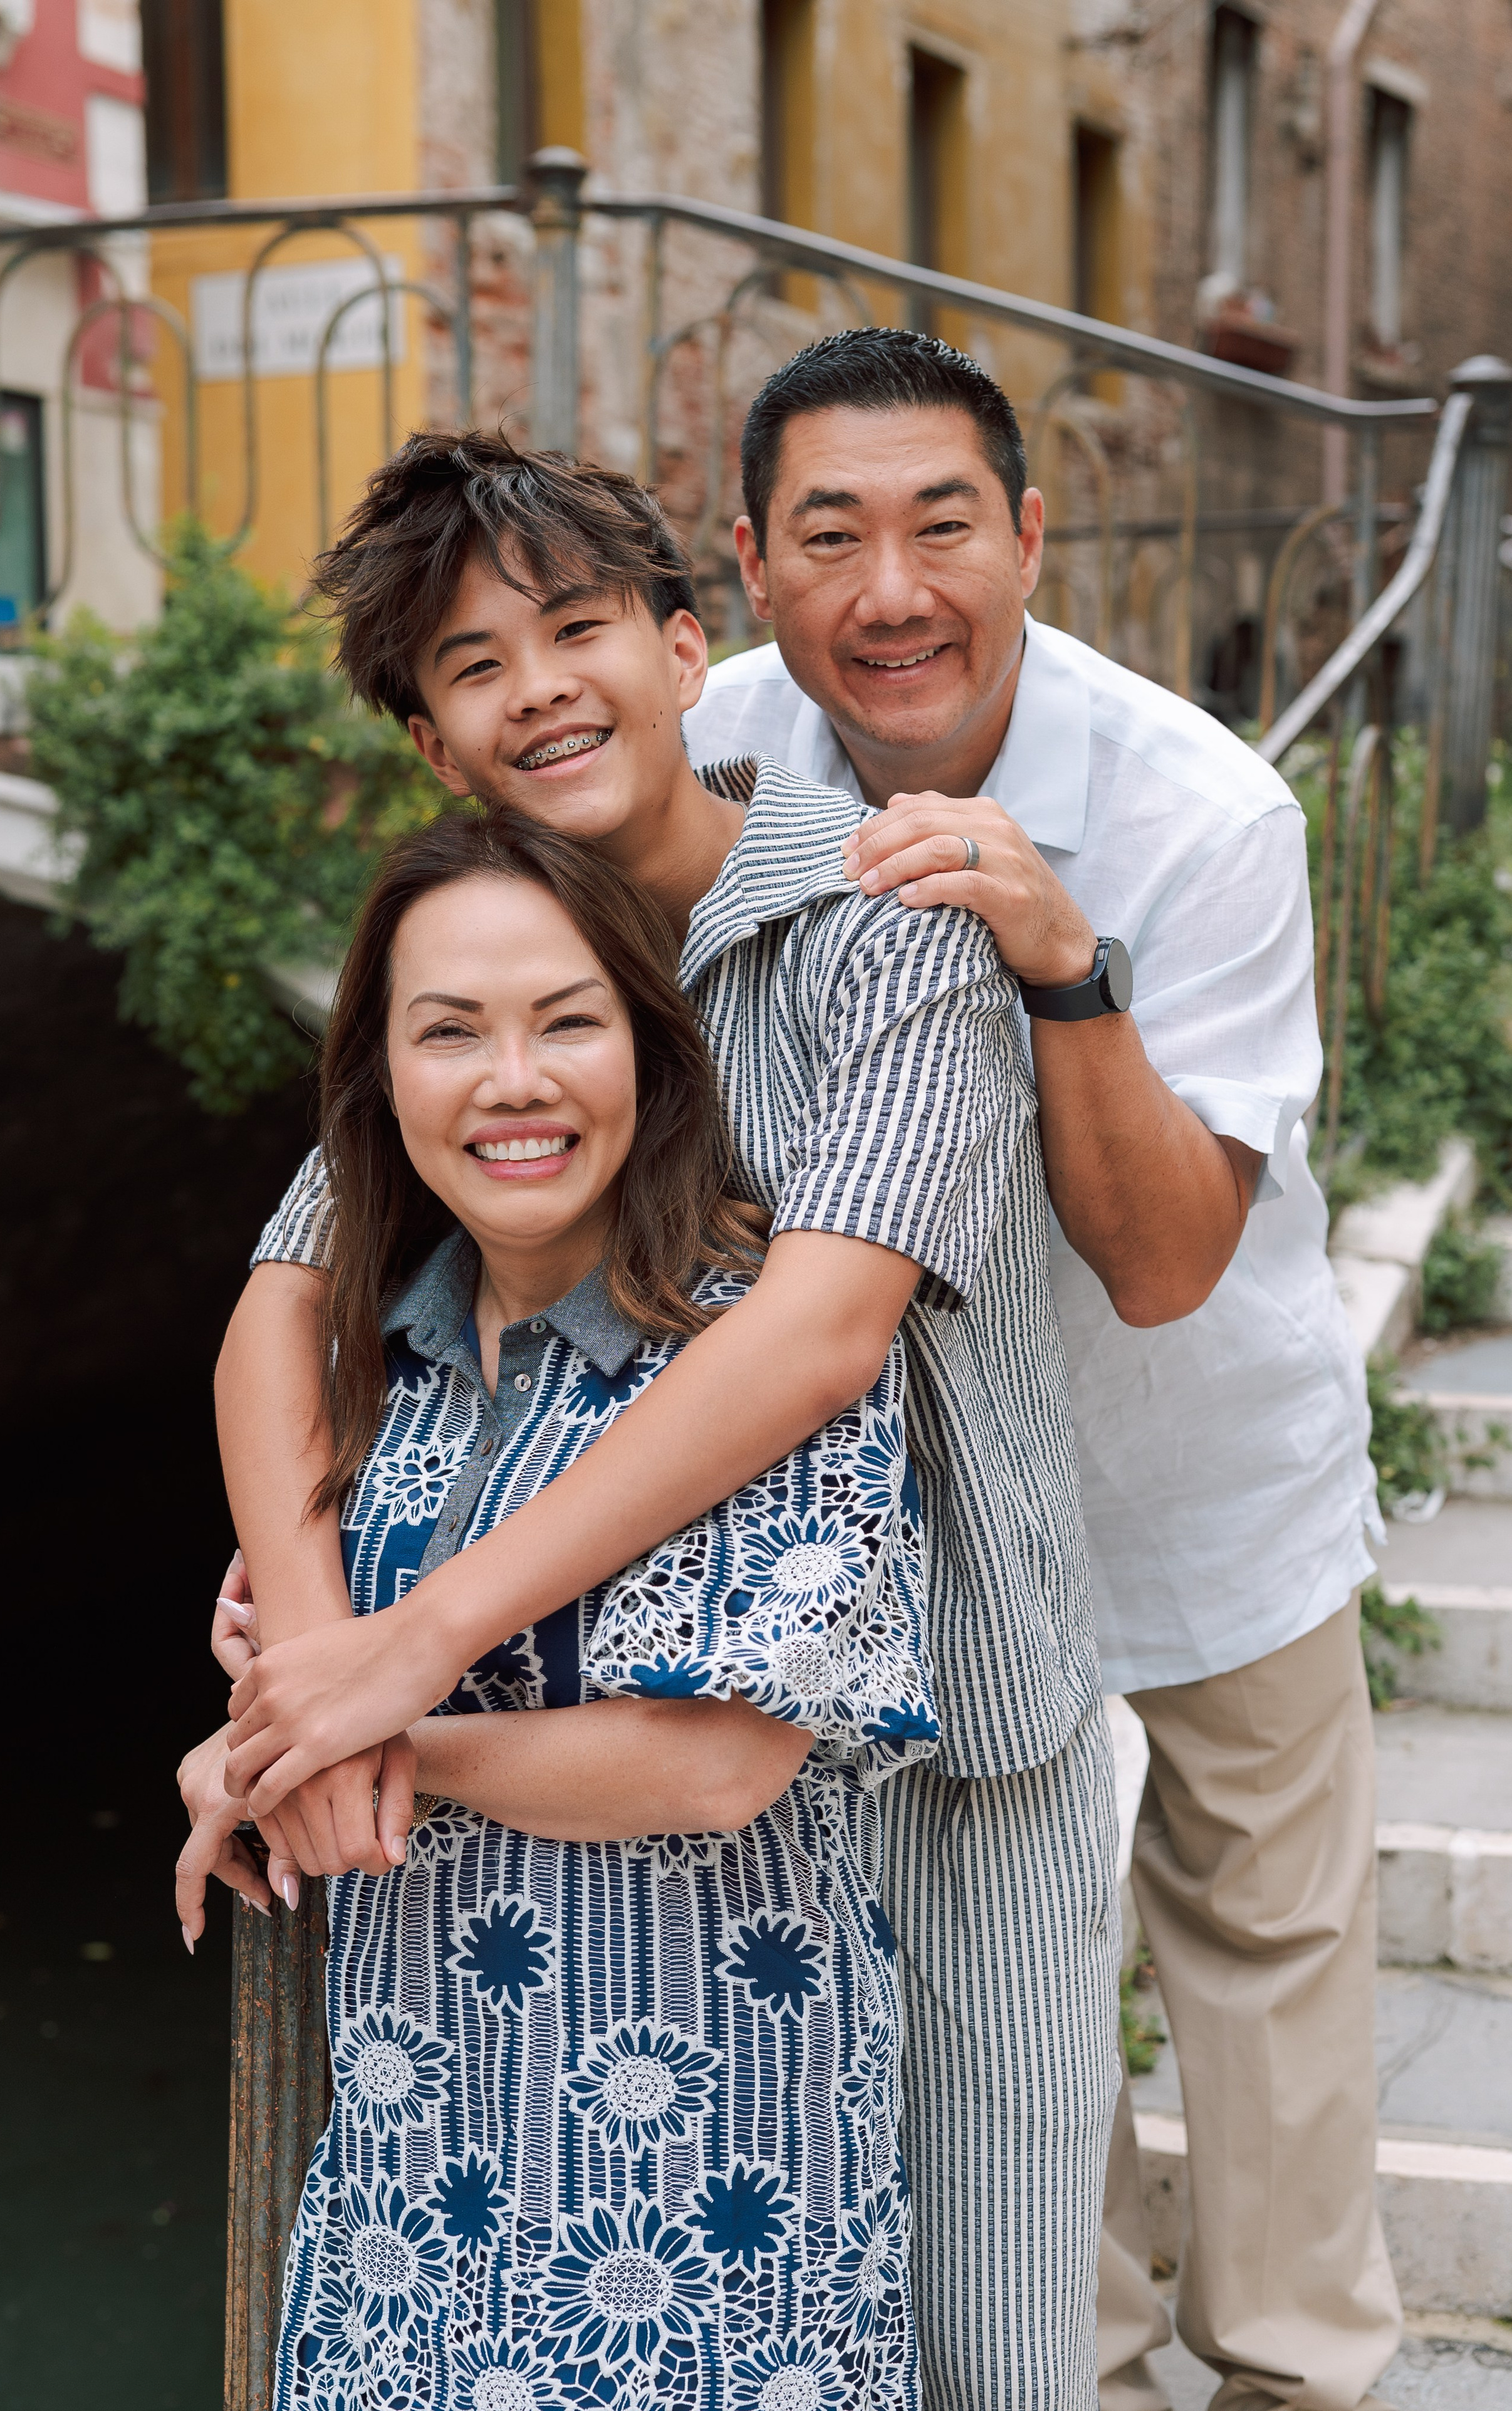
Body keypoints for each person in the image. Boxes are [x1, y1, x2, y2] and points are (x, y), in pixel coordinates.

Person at [195, 430, 1121, 2408]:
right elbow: (282, 1303)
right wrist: (311, 1653)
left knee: (987, 2343)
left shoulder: (881, 925)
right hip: (584, 1771)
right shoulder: (491, 964)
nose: (537, 689)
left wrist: (396, 1662)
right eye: (473, 665)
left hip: (949, 1724)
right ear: (435, 744)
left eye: (575, 629)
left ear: (688, 649)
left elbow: (817, 1341)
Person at [681, 328, 1399, 2411]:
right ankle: (1070, 2370)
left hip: (1198, 1459)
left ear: (1029, 535)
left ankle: (1298, 2374)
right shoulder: (707, 754)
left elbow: (1167, 1265)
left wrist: (1063, 959)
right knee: (985, 1958)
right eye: (831, 536)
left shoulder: (1206, 811)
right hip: (908, 1491)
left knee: (1264, 1944)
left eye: (943, 525)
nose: (892, 589)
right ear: (752, 561)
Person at [181, 805, 941, 2405]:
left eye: (566, 1022)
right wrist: (270, 1742)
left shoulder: (742, 1349)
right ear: (380, 1082)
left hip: (709, 2193)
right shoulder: (364, 1365)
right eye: (449, 1031)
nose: (511, 1079)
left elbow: (713, 1762)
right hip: (411, 2180)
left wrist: (347, 1747)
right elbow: (299, 1666)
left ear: (651, 1054)